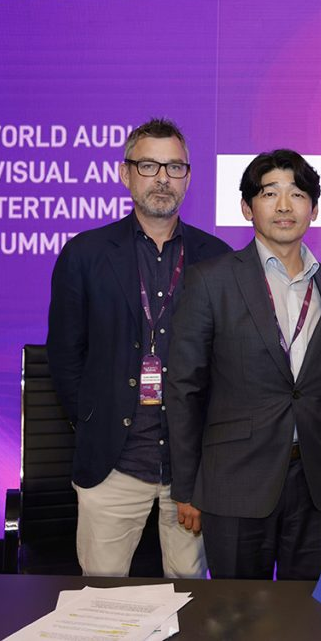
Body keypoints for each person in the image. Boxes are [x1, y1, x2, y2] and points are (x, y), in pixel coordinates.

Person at [46, 118, 231, 577]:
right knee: (102, 597)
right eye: (149, 165)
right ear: (125, 174)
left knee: (190, 595)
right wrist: (92, 420)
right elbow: (65, 357)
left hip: (191, 469)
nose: (162, 178)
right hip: (113, 464)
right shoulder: (85, 254)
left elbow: (229, 365)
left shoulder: (218, 258)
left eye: (174, 167)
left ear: (188, 178)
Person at [165, 150, 321, 580]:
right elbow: (184, 389)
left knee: (308, 609)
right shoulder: (211, 280)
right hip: (235, 481)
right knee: (238, 610)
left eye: (297, 194)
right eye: (269, 194)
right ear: (248, 208)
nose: (284, 206)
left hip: (315, 482)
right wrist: (186, 487)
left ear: (314, 209)